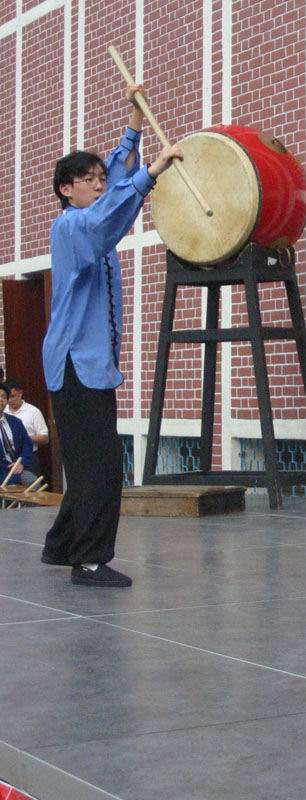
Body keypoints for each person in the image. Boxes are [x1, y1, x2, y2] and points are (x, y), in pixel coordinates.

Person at [41, 85, 182, 588]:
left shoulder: (89, 216)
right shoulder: (73, 227)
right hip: (76, 362)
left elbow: (119, 181)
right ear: (66, 189)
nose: (100, 185)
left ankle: (61, 546)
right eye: (88, 180)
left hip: (88, 363)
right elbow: (112, 213)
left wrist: (134, 122)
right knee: (100, 466)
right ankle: (89, 561)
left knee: (88, 461)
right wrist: (153, 171)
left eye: (101, 178)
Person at [4, 379, 49, 476]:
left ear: (20, 393)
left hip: (29, 458)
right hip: (7, 459)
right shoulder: (3, 412)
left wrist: (24, 438)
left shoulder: (33, 412)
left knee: (31, 482)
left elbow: (45, 438)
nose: (10, 400)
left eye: (13, 396)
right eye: (7, 397)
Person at [0, 383, 36, 486]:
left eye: (3, 397)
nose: (0, 400)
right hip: (2, 471)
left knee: (34, 483)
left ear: (7, 401)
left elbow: (27, 444)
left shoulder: (16, 422)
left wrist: (21, 462)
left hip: (17, 470)